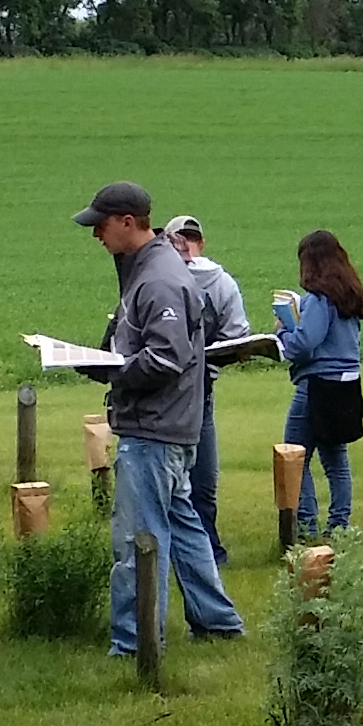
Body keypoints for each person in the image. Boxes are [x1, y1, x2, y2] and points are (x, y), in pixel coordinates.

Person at [81, 181, 246, 657]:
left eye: (101, 225)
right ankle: (216, 623)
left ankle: (135, 643)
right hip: (170, 425)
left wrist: (115, 372)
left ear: (128, 223)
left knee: (138, 538)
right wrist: (97, 361)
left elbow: (166, 359)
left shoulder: (158, 279)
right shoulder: (148, 269)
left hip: (154, 429)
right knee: (186, 527)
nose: (96, 236)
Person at [167, 216, 249, 559]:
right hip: (184, 389)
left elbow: (238, 333)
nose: (186, 244)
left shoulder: (212, 282)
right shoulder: (218, 281)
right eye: (182, 238)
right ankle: (196, 548)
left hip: (186, 390)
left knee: (191, 475)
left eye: (189, 238)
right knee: (186, 474)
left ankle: (200, 547)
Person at [278, 230, 363, 533]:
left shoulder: (319, 300)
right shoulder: (349, 296)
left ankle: (307, 525)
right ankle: (340, 526)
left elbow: (305, 343)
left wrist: (281, 334)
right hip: (347, 385)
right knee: (336, 460)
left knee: (295, 456)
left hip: (317, 385)